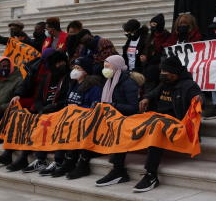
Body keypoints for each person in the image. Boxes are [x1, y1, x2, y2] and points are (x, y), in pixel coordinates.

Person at [106, 54, 203, 192]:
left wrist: (199, 100)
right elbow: (152, 93)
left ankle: (151, 174)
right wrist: (146, 98)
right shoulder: (164, 83)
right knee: (125, 123)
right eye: (161, 71)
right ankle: (118, 169)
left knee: (156, 127)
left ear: (175, 72)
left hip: (176, 122)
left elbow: (198, 99)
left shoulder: (189, 86)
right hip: (158, 117)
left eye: (165, 72)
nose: (162, 74)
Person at [0, 50, 71, 172]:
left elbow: (68, 99)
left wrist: (55, 106)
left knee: (40, 123)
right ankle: (15, 155)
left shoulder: (68, 77)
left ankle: (35, 158)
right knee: (24, 118)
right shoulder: (47, 77)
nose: (59, 66)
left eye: (61, 63)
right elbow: (38, 98)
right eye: (56, 64)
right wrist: (41, 108)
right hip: (44, 111)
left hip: (59, 112)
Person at [87, 54, 143, 186]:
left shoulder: (128, 83)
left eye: (108, 67)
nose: (104, 69)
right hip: (114, 116)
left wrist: (112, 106)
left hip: (127, 118)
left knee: (118, 128)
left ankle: (118, 171)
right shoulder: (110, 80)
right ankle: (84, 158)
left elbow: (134, 108)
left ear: (116, 67)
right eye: (104, 66)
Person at [45, 57, 104, 178]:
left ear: (85, 71)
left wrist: (76, 111)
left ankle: (75, 161)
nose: (74, 70)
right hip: (71, 118)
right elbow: (68, 102)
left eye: (78, 68)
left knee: (71, 126)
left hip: (84, 119)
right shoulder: (73, 84)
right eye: (74, 68)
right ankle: (63, 160)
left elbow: (94, 106)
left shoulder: (94, 87)